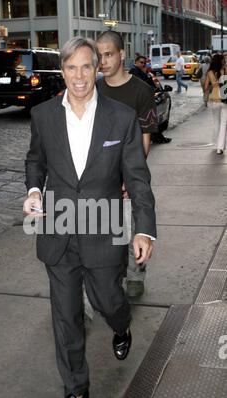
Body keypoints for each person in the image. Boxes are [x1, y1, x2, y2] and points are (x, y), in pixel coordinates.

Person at [23, 37, 156, 398]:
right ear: (61, 71)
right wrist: (33, 191)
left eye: (86, 67)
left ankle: (121, 324)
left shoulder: (120, 117)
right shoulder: (44, 115)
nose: (79, 76)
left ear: (97, 68)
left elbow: (138, 177)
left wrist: (144, 230)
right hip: (58, 228)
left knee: (108, 299)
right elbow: (36, 161)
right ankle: (76, 390)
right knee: (65, 316)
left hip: (104, 225)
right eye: (71, 68)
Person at [96, 30, 157, 298]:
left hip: (129, 173)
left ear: (121, 54)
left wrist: (129, 178)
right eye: (99, 55)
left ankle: (135, 274)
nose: (103, 61)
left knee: (132, 226)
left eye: (108, 54)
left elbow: (145, 140)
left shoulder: (141, 91)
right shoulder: (95, 90)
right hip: (100, 174)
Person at [129, 53, 172, 144]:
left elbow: (151, 85)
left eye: (144, 63)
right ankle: (156, 138)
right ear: (136, 62)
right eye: (141, 62)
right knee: (149, 121)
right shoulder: (134, 72)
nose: (143, 64)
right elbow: (143, 84)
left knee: (151, 121)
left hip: (144, 100)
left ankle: (157, 137)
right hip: (138, 102)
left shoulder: (143, 72)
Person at [205, 53, 226, 155]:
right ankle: (220, 147)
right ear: (221, 61)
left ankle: (216, 144)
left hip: (213, 100)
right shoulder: (225, 70)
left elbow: (205, 88)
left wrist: (213, 84)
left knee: (216, 122)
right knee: (224, 124)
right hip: (224, 99)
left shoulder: (209, 72)